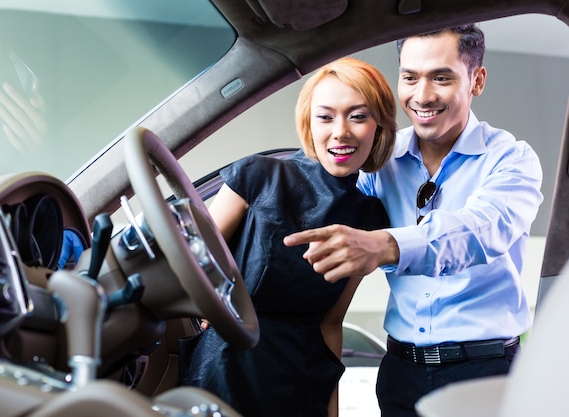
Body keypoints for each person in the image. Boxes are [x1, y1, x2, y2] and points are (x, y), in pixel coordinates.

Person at [283, 24, 544, 417]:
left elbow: (481, 229)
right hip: (399, 374)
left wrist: (385, 245)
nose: (422, 96)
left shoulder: (511, 159)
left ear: (477, 80)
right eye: (410, 77)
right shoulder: (378, 162)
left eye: (441, 78)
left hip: (486, 373)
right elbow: (321, 205)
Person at [179, 57, 397, 417]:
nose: (340, 131)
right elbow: (193, 266)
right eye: (325, 117)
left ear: (379, 126)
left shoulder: (369, 218)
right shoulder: (256, 175)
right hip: (225, 369)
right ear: (309, 123)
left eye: (357, 116)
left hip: (303, 384)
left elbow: (330, 323)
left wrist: (332, 412)